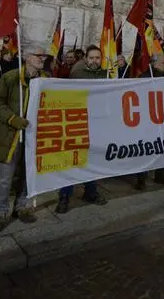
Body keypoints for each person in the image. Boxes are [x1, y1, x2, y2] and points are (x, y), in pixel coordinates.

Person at [0, 42, 49, 231]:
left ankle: (22, 207)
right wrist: (13, 119)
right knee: (5, 177)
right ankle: (1, 212)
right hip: (11, 135)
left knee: (28, 174)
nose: (42, 59)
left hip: (34, 136)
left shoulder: (47, 79)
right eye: (39, 55)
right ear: (27, 57)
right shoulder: (10, 77)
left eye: (44, 56)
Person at [56, 45, 108, 213]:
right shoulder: (78, 74)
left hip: (97, 124)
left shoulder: (106, 75)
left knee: (92, 160)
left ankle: (91, 192)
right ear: (86, 58)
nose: (95, 61)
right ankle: (65, 195)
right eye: (92, 58)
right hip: (78, 123)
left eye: (97, 58)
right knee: (73, 160)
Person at [135, 54, 164, 189]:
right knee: (146, 150)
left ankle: (160, 174)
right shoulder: (145, 78)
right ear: (154, 64)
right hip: (148, 120)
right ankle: (141, 178)